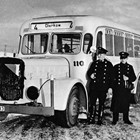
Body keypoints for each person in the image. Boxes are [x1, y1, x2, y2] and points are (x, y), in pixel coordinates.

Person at [87, 47, 114, 125]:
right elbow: (89, 72)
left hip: (103, 87)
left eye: (102, 54)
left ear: (105, 55)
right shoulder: (94, 63)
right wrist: (91, 75)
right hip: (94, 87)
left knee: (101, 103)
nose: (100, 56)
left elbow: (112, 77)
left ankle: (99, 119)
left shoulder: (108, 64)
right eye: (99, 54)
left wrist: (110, 87)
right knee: (92, 103)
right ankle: (91, 118)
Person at [111, 51, 136, 125]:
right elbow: (112, 78)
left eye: (124, 58)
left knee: (125, 104)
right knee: (116, 104)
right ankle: (115, 119)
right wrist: (112, 87)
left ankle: (126, 119)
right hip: (117, 88)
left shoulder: (130, 67)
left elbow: (134, 78)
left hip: (126, 89)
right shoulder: (116, 67)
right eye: (121, 58)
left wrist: (128, 78)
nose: (123, 60)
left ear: (127, 58)